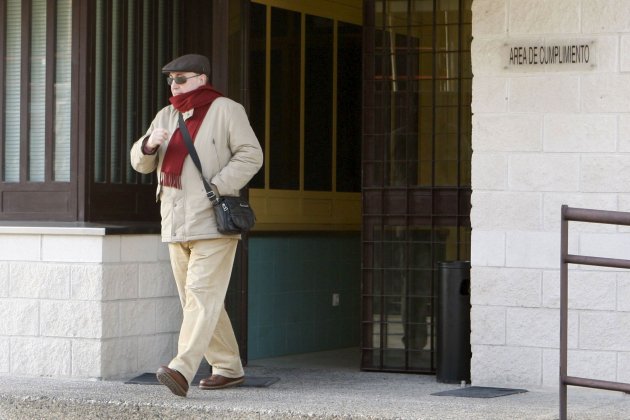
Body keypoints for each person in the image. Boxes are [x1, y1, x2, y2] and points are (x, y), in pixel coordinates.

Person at [130, 53, 263, 397]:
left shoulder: (226, 110)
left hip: (213, 222)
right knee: (199, 300)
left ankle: (181, 368)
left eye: (181, 78)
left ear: (202, 78)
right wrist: (148, 145)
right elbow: (141, 164)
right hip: (175, 223)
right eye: (171, 80)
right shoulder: (166, 114)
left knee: (202, 296)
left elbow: (251, 154)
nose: (174, 85)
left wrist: (216, 186)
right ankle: (229, 367)